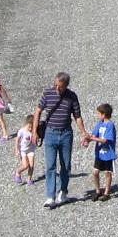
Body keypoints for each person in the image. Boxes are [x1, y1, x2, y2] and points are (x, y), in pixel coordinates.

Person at [32, 71, 90, 208]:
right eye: (56, 85)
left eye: (60, 86)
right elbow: (38, 111)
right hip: (50, 133)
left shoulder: (72, 96)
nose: (57, 88)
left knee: (66, 165)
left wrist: (83, 132)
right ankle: (50, 196)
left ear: (66, 85)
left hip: (66, 134)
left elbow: (77, 116)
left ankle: (62, 192)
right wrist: (34, 131)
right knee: (50, 166)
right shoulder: (47, 93)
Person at [83, 103, 117, 202]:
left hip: (108, 153)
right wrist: (87, 140)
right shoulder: (99, 124)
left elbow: (105, 140)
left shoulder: (110, 125)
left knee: (107, 172)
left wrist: (92, 138)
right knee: (95, 172)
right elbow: (94, 135)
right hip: (99, 154)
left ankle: (106, 192)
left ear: (103, 114)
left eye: (98, 114)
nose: (98, 116)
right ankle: (98, 191)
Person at [15, 119, 37, 185]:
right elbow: (17, 140)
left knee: (31, 165)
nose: (30, 129)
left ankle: (29, 179)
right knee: (25, 166)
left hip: (31, 149)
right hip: (23, 150)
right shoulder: (22, 131)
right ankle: (17, 172)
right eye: (29, 127)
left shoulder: (34, 130)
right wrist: (16, 149)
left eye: (32, 127)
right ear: (26, 124)